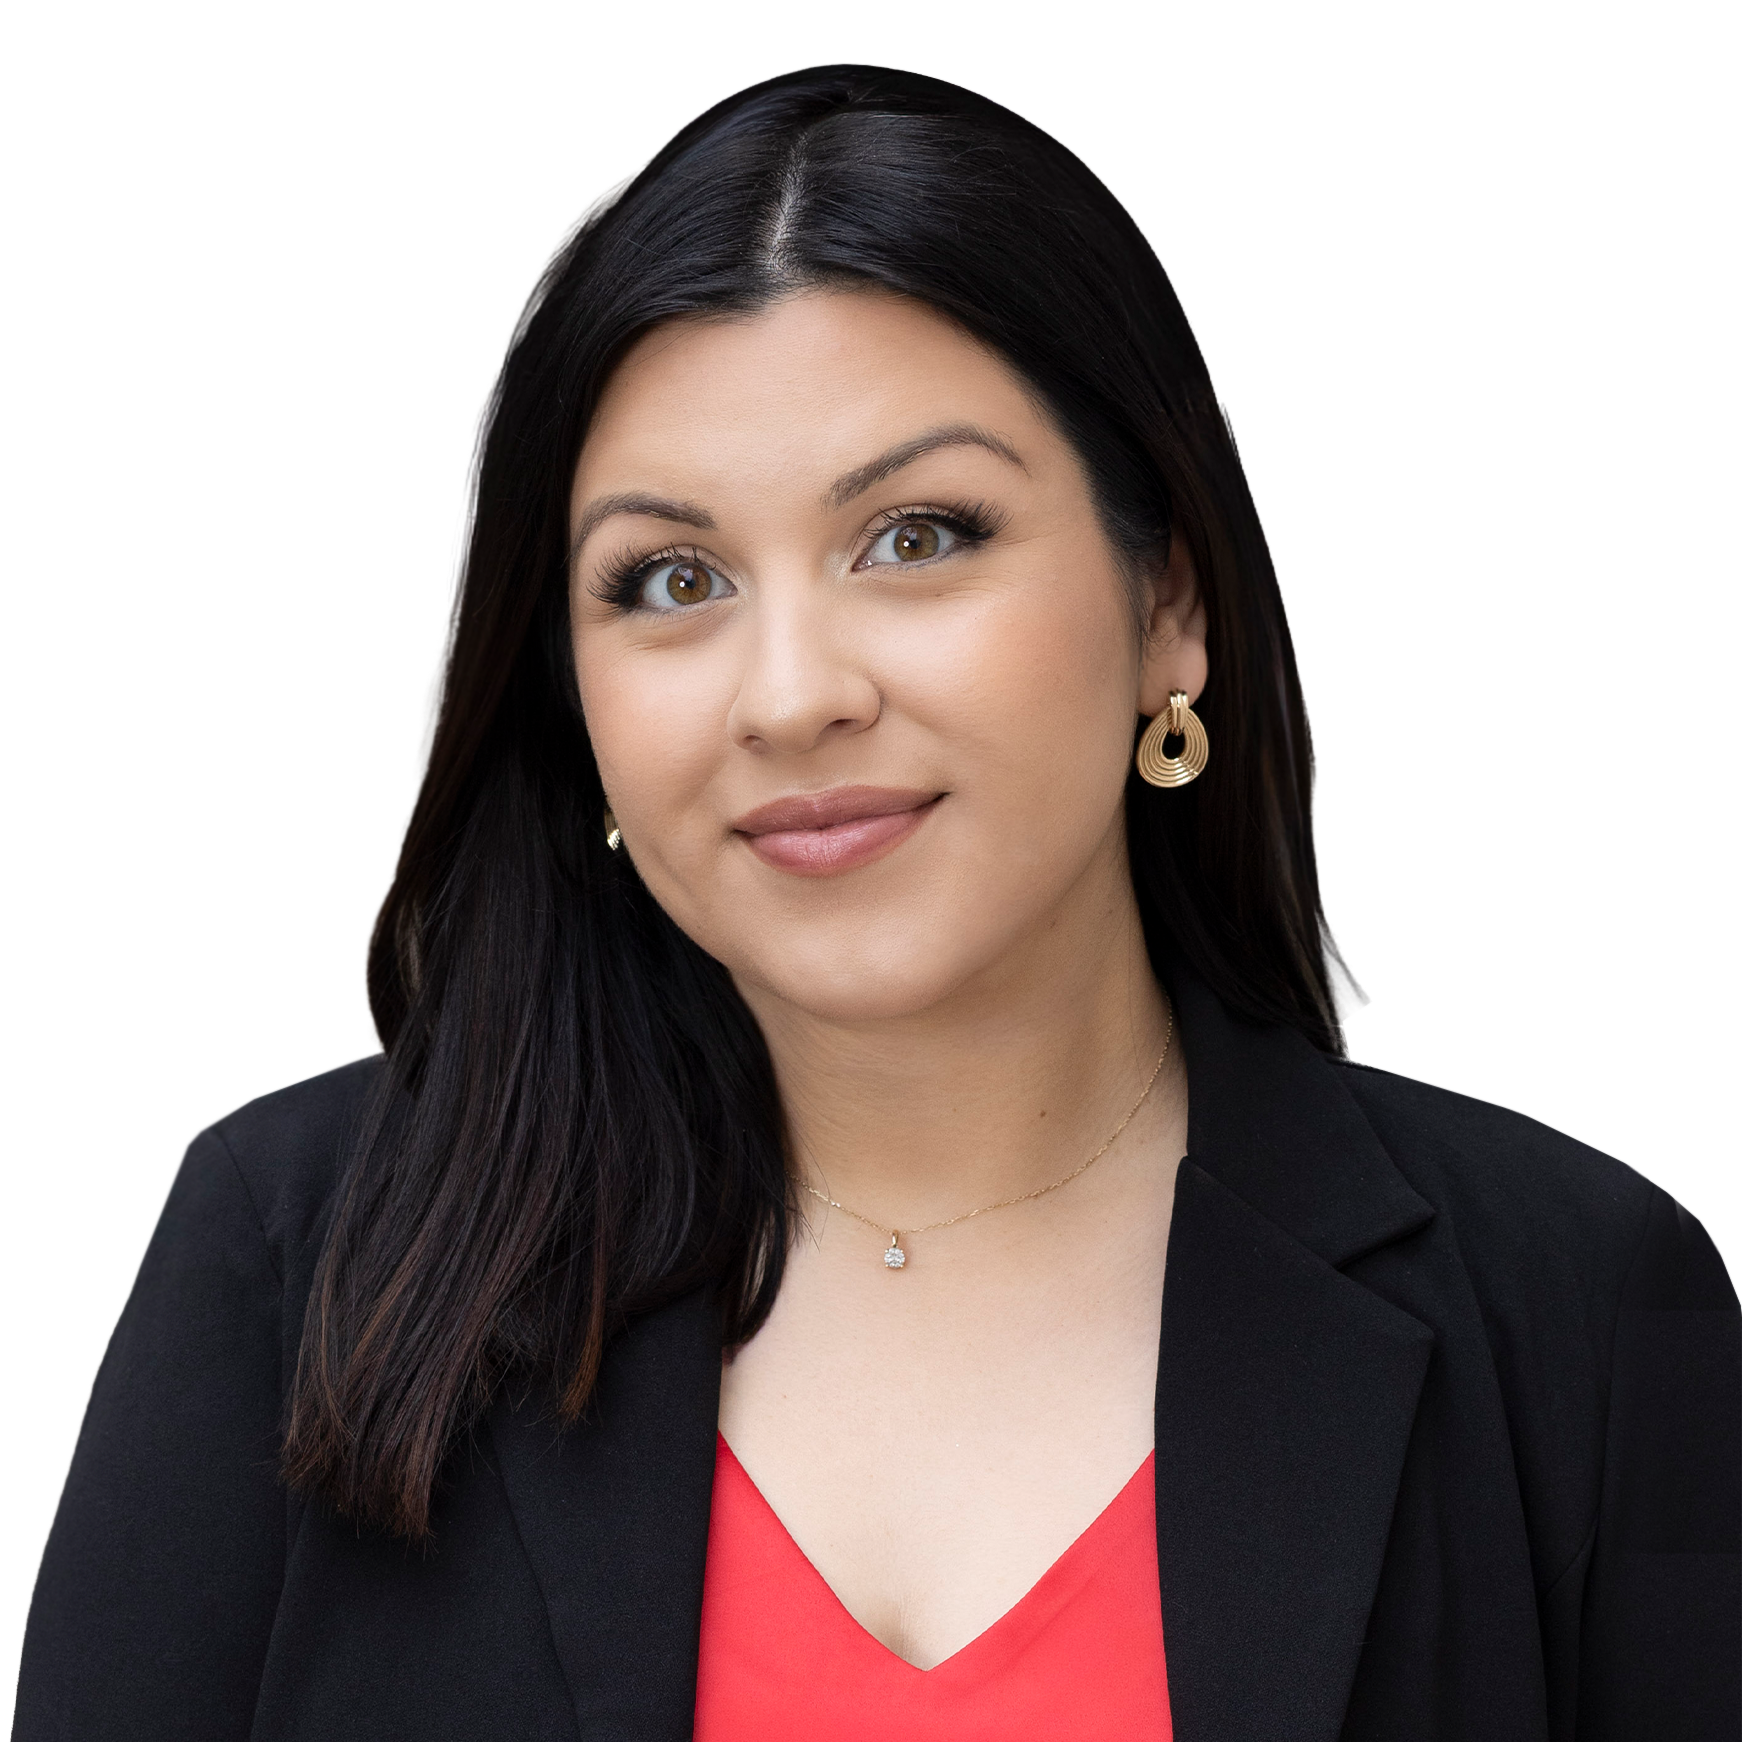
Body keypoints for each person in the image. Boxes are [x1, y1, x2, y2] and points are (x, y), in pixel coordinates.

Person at [15, 65, 1737, 1742]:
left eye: (916, 536)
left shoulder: (1583, 1313)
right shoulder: (300, 1263)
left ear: (1170, 604)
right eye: (669, 579)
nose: (790, 695)